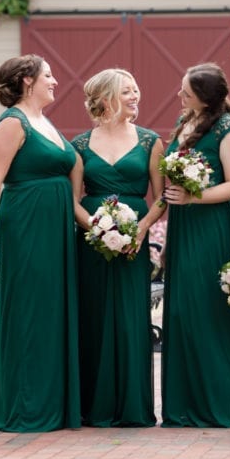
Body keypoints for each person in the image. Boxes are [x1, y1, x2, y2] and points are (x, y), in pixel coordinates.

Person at [0, 54, 82, 432]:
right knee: (31, 308)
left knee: (52, 309)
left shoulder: (43, 121)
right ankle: (26, 405)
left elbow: (73, 162)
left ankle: (54, 402)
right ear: (27, 80)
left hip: (55, 225)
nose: (55, 81)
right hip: (27, 224)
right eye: (48, 75)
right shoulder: (12, 122)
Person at [71, 69, 163, 427]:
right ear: (107, 97)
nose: (135, 96)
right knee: (93, 316)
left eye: (136, 90)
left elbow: (161, 198)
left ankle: (132, 407)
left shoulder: (150, 141)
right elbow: (73, 199)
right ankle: (95, 406)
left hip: (134, 243)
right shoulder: (78, 146)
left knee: (130, 319)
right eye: (127, 91)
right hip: (91, 243)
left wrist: (140, 230)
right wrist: (95, 226)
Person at [159, 63, 230, 427]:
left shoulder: (226, 129)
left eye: (187, 92)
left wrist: (195, 199)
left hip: (210, 227)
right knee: (181, 313)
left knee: (206, 311)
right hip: (181, 228)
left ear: (205, 96)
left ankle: (218, 404)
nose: (180, 95)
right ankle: (183, 405)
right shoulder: (185, 123)